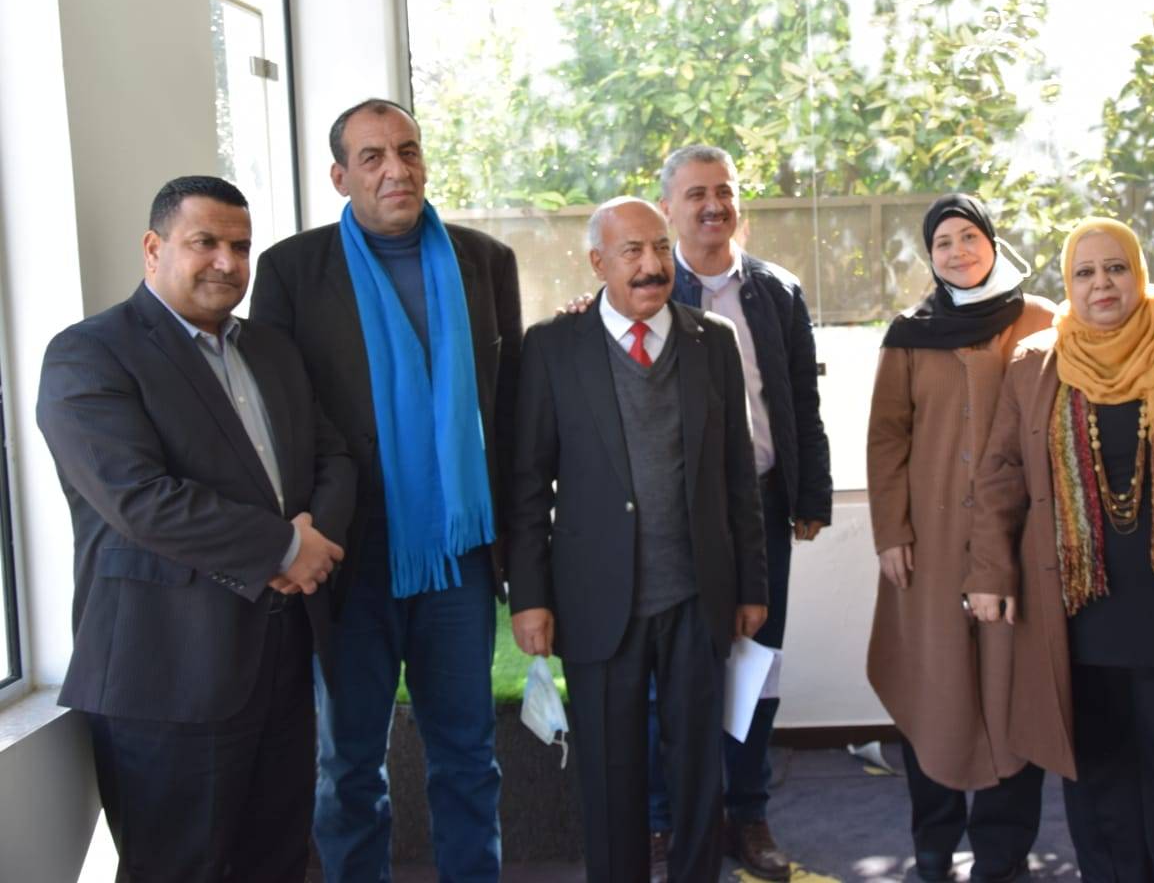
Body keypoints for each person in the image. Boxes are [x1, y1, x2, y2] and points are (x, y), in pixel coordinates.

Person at [36, 175, 356, 881]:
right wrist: (283, 548)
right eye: (204, 242)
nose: (227, 262)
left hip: (282, 655)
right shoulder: (89, 354)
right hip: (166, 672)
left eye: (240, 247)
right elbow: (140, 499)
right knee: (177, 869)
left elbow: (332, 457)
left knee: (278, 861)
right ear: (154, 249)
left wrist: (314, 546)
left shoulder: (272, 350)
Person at [251, 99, 521, 881]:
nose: (395, 169)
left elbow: (507, 406)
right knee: (349, 764)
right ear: (340, 177)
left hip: (460, 554)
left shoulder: (485, 260)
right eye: (371, 157)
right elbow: (277, 414)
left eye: (408, 150)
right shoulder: (292, 270)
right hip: (350, 556)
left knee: (467, 755)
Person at [968, 216, 1154, 882]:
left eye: (1115, 267)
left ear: (1139, 272)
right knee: (1100, 795)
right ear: (1068, 283)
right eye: (1084, 272)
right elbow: (1001, 474)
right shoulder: (1036, 363)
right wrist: (991, 572)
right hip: (1079, 615)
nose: (1101, 284)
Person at [508, 197, 768, 882]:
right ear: (599, 262)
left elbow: (738, 477)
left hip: (697, 596)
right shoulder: (553, 346)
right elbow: (527, 485)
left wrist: (752, 586)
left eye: (658, 247)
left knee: (698, 774)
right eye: (632, 252)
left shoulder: (713, 341)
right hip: (596, 601)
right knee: (609, 777)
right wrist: (529, 596)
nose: (651, 266)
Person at [638, 144, 832, 881]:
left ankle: (747, 813)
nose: (713, 205)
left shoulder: (777, 291)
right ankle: (665, 818)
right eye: (696, 194)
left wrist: (811, 493)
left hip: (763, 506)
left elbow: (801, 401)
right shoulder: (649, 289)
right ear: (668, 207)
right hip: (674, 515)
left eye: (723, 191)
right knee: (669, 670)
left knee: (757, 667)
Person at [865, 194, 1054, 883]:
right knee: (934, 691)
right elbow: (887, 438)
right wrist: (891, 531)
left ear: (993, 242)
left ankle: (1003, 854)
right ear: (931, 256)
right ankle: (934, 845)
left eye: (968, 236)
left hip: (1019, 544)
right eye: (942, 242)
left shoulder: (1042, 321)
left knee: (1015, 690)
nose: (957, 252)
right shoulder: (910, 333)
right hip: (932, 547)